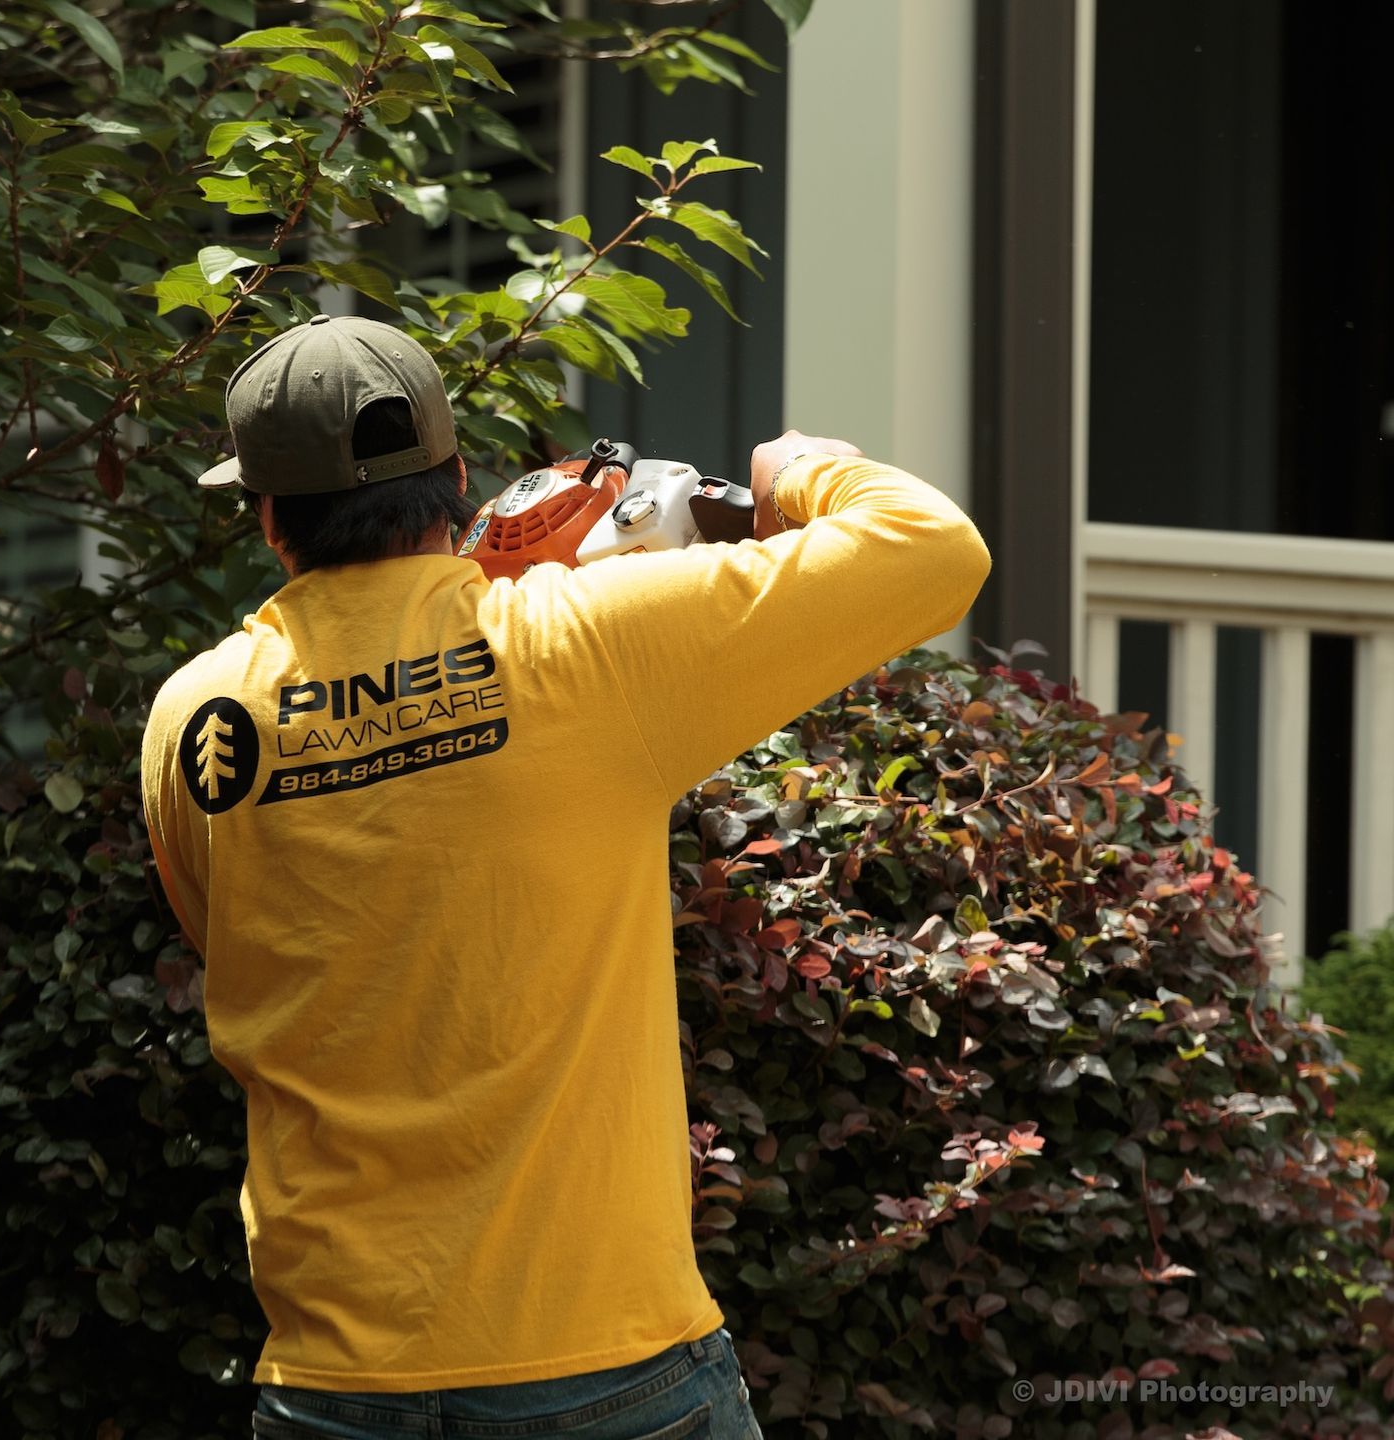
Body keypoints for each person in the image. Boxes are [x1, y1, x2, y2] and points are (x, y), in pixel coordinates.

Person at [139, 314, 991, 1438]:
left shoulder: (195, 717)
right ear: (455, 479)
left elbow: (250, 944)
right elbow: (938, 549)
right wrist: (802, 468)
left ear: (266, 514)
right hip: (606, 1371)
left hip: (336, 1384)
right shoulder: (579, 644)